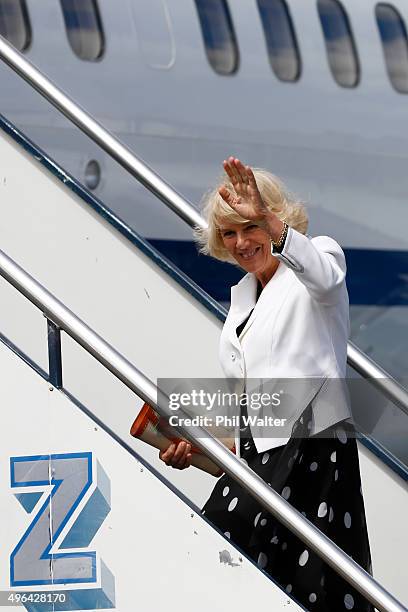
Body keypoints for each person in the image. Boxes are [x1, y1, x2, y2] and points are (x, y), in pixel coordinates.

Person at [159, 157, 373, 612]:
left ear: (274, 220)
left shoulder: (317, 261)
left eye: (249, 227)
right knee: (232, 576)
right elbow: (250, 426)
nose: (241, 242)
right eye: (230, 234)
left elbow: (326, 277)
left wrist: (267, 220)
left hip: (313, 452)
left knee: (303, 586)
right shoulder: (241, 300)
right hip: (261, 462)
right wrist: (197, 452)